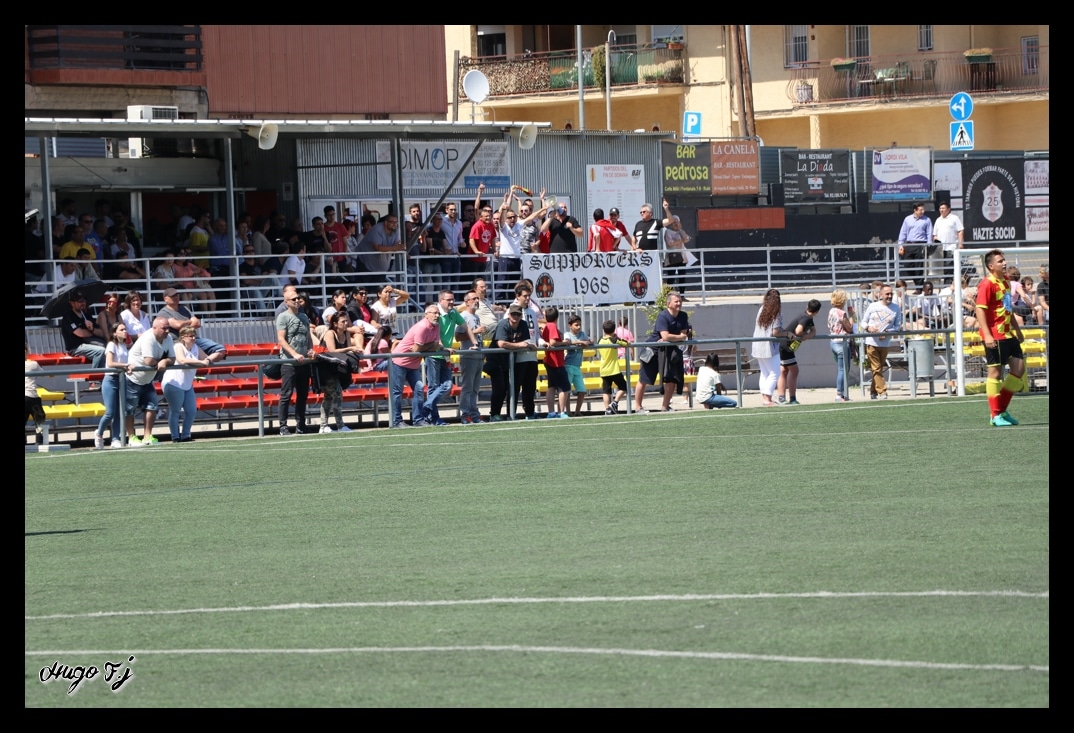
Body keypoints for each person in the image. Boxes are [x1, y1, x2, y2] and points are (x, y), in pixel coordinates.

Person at [976, 249, 1026, 427]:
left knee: (1019, 368)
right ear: (991, 266)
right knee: (995, 373)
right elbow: (979, 309)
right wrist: (988, 334)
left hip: (1008, 333)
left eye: (1004, 260)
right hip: (994, 335)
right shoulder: (986, 284)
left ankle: (1001, 410)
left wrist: (1017, 330)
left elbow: (1007, 308)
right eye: (1000, 261)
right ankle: (995, 414)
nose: (1004, 263)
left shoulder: (1005, 281)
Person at [427, 289, 479, 426]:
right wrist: (444, 348)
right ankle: (433, 417)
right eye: (448, 300)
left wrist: (475, 343)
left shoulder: (453, 313)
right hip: (433, 355)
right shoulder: (434, 314)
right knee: (433, 387)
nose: (451, 302)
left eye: (452, 299)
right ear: (440, 301)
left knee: (447, 385)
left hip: (445, 355)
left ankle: (427, 409)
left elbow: (466, 327)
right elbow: (432, 336)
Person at [634, 292, 692, 414]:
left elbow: (684, 334)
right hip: (653, 351)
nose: (679, 303)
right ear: (668, 303)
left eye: (680, 301)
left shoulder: (683, 316)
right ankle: (638, 407)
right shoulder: (663, 316)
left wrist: (675, 337)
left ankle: (665, 406)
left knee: (671, 379)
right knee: (644, 379)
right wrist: (678, 337)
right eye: (676, 301)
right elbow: (665, 336)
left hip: (670, 352)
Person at [125, 316, 174, 446]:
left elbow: (173, 358)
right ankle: (131, 438)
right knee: (129, 409)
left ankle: (147, 436)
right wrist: (161, 363)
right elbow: (148, 361)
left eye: (168, 327)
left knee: (152, 407)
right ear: (154, 328)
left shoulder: (168, 338)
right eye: (164, 328)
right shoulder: (148, 338)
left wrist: (165, 361)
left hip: (148, 379)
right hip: (132, 379)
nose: (167, 331)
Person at [389, 304, 441, 428]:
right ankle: (397, 421)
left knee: (419, 389)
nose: (437, 316)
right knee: (397, 392)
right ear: (426, 315)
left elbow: (433, 345)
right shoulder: (422, 327)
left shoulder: (437, 326)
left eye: (438, 313)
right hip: (399, 361)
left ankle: (418, 419)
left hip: (413, 363)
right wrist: (431, 346)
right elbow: (417, 349)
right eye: (434, 313)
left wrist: (429, 347)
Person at [487, 303, 538, 421]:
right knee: (500, 388)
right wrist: (519, 345)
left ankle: (510, 414)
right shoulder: (503, 324)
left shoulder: (523, 324)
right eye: (513, 314)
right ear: (509, 315)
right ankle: (494, 414)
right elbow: (501, 343)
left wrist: (529, 345)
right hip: (496, 360)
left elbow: (525, 341)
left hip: (509, 361)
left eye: (518, 314)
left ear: (521, 316)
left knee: (509, 387)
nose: (515, 317)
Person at [276, 288, 316, 436]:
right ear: (286, 302)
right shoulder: (283, 317)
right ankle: (283, 426)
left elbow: (309, 337)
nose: (297, 301)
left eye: (298, 298)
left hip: (303, 363)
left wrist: (310, 350)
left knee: (302, 395)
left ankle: (301, 424)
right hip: (288, 363)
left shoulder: (304, 317)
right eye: (293, 299)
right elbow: (281, 339)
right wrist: (294, 354)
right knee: (286, 395)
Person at [156, 287, 228, 364]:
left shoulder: (184, 308)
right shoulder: (163, 313)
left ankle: (206, 361)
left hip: (194, 339)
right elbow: (178, 325)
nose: (176, 297)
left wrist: (184, 325)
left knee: (220, 349)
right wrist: (189, 321)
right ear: (165, 299)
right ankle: (203, 364)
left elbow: (197, 323)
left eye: (177, 295)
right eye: (173, 296)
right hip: (179, 342)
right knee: (186, 360)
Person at [161, 326, 208, 443]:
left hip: (187, 384)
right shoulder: (178, 346)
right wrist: (200, 362)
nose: (193, 338)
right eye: (190, 336)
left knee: (191, 410)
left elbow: (206, 358)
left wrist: (208, 359)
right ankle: (175, 437)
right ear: (183, 337)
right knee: (175, 410)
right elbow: (182, 360)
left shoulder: (195, 347)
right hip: (173, 383)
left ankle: (186, 435)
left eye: (194, 336)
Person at [317, 311, 361, 433]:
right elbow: (332, 351)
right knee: (336, 394)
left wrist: (354, 352)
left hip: (337, 369)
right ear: (335, 324)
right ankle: (340, 426)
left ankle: (323, 426)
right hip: (325, 368)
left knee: (329, 397)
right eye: (343, 321)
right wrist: (351, 348)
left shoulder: (346, 333)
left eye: (347, 321)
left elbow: (345, 353)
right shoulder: (330, 333)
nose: (346, 323)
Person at [861, 283, 903, 400]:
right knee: (876, 367)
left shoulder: (895, 308)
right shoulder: (873, 306)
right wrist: (869, 328)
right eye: (887, 294)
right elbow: (863, 322)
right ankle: (882, 392)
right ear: (881, 295)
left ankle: (873, 391)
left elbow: (897, 326)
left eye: (891, 294)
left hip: (885, 343)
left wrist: (887, 331)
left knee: (878, 368)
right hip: (871, 342)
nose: (889, 296)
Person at [776, 299, 820, 405]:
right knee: (794, 371)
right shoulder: (806, 318)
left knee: (784, 371)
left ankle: (782, 397)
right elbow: (798, 331)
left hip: (785, 345)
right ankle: (791, 398)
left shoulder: (807, 316)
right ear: (817, 311)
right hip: (786, 346)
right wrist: (804, 336)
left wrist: (810, 334)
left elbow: (813, 330)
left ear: (807, 306)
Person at [751, 289, 789, 407]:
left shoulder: (761, 309)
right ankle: (767, 398)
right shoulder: (777, 313)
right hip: (768, 346)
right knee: (774, 373)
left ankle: (766, 398)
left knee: (765, 373)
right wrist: (787, 333)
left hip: (757, 345)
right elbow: (776, 332)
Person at [95, 322, 129, 449]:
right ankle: (99, 433)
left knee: (120, 412)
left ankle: (115, 438)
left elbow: (125, 363)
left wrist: (127, 368)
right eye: (122, 329)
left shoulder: (124, 346)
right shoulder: (111, 345)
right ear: (115, 333)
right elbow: (110, 363)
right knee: (110, 412)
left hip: (121, 379)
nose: (125, 331)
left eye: (125, 329)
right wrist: (125, 366)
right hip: (110, 379)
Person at [456, 289, 484, 424]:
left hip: (478, 356)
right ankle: (465, 413)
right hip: (468, 356)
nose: (477, 301)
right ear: (467, 302)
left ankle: (473, 413)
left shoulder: (476, 317)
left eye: (477, 299)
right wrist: (475, 331)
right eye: (474, 299)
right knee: (468, 387)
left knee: (475, 388)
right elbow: (458, 336)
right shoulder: (464, 316)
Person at [60, 289, 107, 368]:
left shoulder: (87, 315)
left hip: (90, 344)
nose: (82, 303)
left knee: (110, 348)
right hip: (76, 348)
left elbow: (101, 333)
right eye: (79, 301)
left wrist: (92, 329)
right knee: (100, 351)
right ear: (72, 303)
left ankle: (108, 376)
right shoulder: (68, 317)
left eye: (84, 301)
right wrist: (91, 331)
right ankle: (96, 377)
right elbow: (80, 333)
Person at [541, 305, 572, 419]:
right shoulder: (552, 326)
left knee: (552, 387)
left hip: (550, 360)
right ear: (556, 317)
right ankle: (561, 412)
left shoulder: (546, 326)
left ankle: (551, 412)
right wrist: (564, 343)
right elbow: (553, 342)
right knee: (564, 387)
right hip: (556, 361)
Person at [827, 289, 856, 403]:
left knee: (842, 368)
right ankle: (840, 394)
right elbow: (849, 328)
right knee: (843, 369)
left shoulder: (831, 311)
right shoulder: (841, 313)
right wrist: (852, 315)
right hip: (841, 341)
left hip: (833, 341)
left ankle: (843, 393)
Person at [356, 213, 404, 279]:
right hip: (365, 262)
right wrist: (393, 248)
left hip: (381, 268)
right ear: (386, 222)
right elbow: (377, 247)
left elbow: (398, 245)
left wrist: (403, 251)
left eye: (396, 222)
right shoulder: (377, 229)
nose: (394, 224)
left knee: (379, 288)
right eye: (392, 222)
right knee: (364, 287)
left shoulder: (396, 231)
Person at [596, 319, 629, 415]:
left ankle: (607, 410)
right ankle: (614, 403)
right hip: (614, 369)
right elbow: (626, 343)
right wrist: (617, 338)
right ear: (614, 330)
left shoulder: (600, 340)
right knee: (624, 387)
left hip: (604, 369)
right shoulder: (614, 340)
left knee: (606, 391)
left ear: (603, 329)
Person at [897, 202, 933, 286]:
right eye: (920, 210)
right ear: (915, 210)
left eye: (923, 209)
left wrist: (928, 246)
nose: (922, 211)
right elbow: (903, 232)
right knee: (908, 266)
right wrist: (900, 244)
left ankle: (919, 288)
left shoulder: (927, 220)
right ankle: (919, 284)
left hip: (921, 245)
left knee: (919, 267)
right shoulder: (907, 219)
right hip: (909, 245)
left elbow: (929, 233)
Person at [564, 314, 592, 416]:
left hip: (577, 366)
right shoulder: (567, 334)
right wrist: (580, 342)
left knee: (582, 390)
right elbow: (568, 342)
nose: (579, 327)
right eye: (576, 325)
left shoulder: (582, 334)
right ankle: (567, 411)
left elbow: (589, 340)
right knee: (567, 390)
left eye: (580, 325)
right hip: (568, 365)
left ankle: (577, 411)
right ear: (570, 326)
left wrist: (588, 341)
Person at [932, 202, 964, 282]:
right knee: (943, 268)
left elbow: (960, 231)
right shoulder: (938, 220)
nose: (941, 210)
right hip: (940, 250)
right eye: (940, 208)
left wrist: (961, 243)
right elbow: (935, 235)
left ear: (948, 209)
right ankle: (946, 285)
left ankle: (948, 285)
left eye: (943, 208)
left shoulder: (954, 218)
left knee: (949, 266)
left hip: (951, 247)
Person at [465, 199, 496, 276]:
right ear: (481, 217)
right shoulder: (477, 225)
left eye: (489, 216)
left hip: (483, 258)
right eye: (486, 216)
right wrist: (476, 251)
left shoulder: (491, 225)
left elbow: (492, 238)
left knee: (481, 279)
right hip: (473, 259)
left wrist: (494, 250)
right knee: (473, 281)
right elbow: (471, 240)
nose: (488, 218)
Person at [662, 214, 692, 291]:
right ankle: (668, 295)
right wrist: (680, 240)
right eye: (673, 222)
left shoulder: (681, 232)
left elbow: (687, 239)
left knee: (682, 276)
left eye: (677, 222)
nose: (675, 224)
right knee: (671, 276)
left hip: (682, 257)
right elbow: (670, 243)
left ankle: (682, 295)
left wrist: (680, 230)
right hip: (672, 257)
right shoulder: (668, 231)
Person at [25, 344, 47, 440]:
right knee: (40, 419)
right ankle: (39, 440)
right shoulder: (33, 364)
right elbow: (43, 374)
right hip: (31, 396)